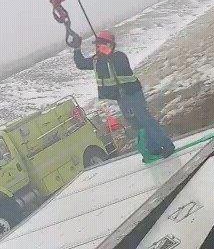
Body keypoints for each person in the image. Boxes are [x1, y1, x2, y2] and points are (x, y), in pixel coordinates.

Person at [74, 30, 175, 159]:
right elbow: (80, 64)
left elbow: (122, 67)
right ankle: (154, 149)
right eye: (96, 44)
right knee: (136, 124)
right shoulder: (96, 61)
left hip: (133, 94)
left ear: (109, 45)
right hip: (121, 98)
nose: (97, 47)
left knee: (145, 119)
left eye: (100, 44)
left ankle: (167, 146)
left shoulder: (119, 56)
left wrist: (108, 55)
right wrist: (77, 49)